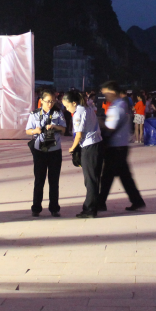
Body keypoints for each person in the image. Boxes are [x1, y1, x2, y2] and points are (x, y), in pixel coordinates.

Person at [97, 81, 146, 214]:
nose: (104, 95)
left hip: (115, 147)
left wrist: (99, 122)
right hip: (121, 146)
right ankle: (136, 200)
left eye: (106, 93)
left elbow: (110, 127)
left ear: (112, 92)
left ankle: (101, 202)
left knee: (108, 176)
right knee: (123, 176)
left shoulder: (117, 107)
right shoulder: (122, 104)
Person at [25, 91, 67, 217]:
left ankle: (54, 208)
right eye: (48, 101)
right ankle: (36, 207)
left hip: (54, 151)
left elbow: (64, 129)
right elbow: (27, 130)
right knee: (39, 180)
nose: (50, 103)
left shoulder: (58, 113)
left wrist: (55, 127)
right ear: (41, 101)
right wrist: (34, 130)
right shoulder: (34, 114)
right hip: (40, 151)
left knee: (54, 181)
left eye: (52, 101)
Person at [63, 90, 103, 218]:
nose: (67, 108)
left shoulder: (79, 112)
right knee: (94, 178)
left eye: (67, 106)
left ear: (74, 103)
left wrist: (72, 148)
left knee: (90, 179)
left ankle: (90, 209)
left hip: (89, 146)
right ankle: (94, 206)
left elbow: (79, 134)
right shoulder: (88, 107)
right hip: (96, 144)